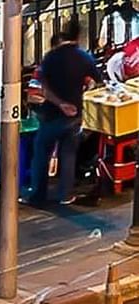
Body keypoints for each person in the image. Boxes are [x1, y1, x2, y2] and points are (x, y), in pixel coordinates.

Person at [29, 19, 95, 206]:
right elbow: (95, 82)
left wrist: (60, 104)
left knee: (42, 153)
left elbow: (42, 90)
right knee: (68, 155)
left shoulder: (49, 60)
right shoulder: (83, 57)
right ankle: (65, 195)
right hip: (74, 115)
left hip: (52, 115)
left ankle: (38, 195)